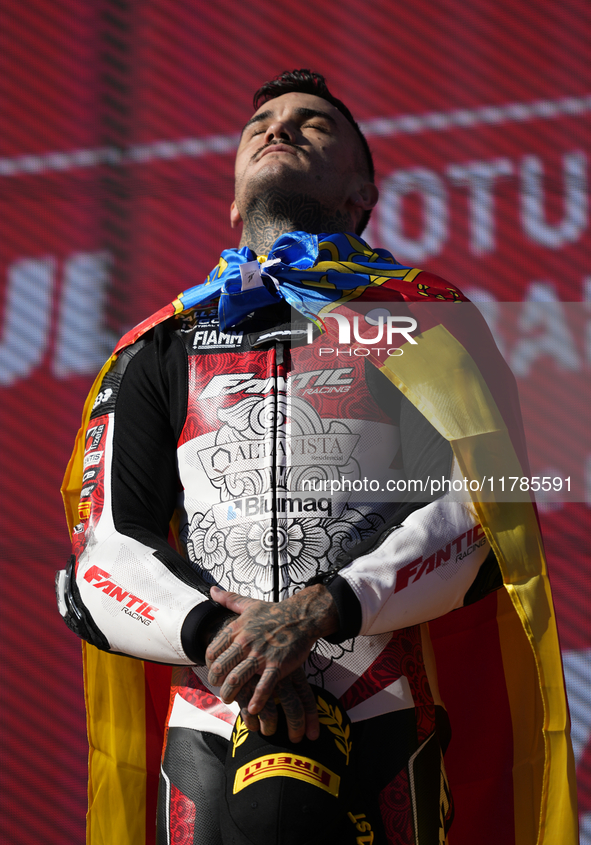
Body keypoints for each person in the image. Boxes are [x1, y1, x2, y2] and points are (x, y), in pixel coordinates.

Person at [57, 70, 577, 845]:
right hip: (211, 705)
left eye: (314, 125)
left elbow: (484, 512)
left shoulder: (423, 317)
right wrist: (212, 633)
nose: (279, 129)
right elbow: (101, 557)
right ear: (232, 199)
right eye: (260, 121)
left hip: (381, 697)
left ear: (360, 195)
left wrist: (320, 607)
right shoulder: (154, 343)